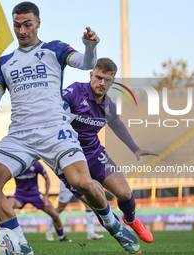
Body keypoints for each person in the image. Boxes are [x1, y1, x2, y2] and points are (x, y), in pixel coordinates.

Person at [0, 2, 140, 254]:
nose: (22, 30)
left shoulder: (54, 49)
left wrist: (90, 46)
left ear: (37, 23)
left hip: (55, 132)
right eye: (17, 25)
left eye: (27, 24)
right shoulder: (3, 63)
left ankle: (113, 225)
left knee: (83, 183)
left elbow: (84, 62)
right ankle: (22, 246)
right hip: (19, 136)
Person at [59, 58, 158, 244]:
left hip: (95, 155)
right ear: (91, 75)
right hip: (70, 160)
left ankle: (131, 220)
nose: (102, 83)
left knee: (126, 194)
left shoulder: (109, 107)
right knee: (99, 205)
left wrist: (135, 149)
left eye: (108, 79)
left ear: (113, 82)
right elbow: (56, 105)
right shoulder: (74, 92)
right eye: (98, 77)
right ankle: (119, 234)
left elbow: (118, 126)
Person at [8, 161, 71, 242]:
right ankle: (2, 234)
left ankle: (61, 237)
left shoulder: (36, 164)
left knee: (55, 214)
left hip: (35, 195)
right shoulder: (15, 165)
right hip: (19, 195)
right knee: (7, 205)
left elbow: (47, 178)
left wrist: (46, 196)